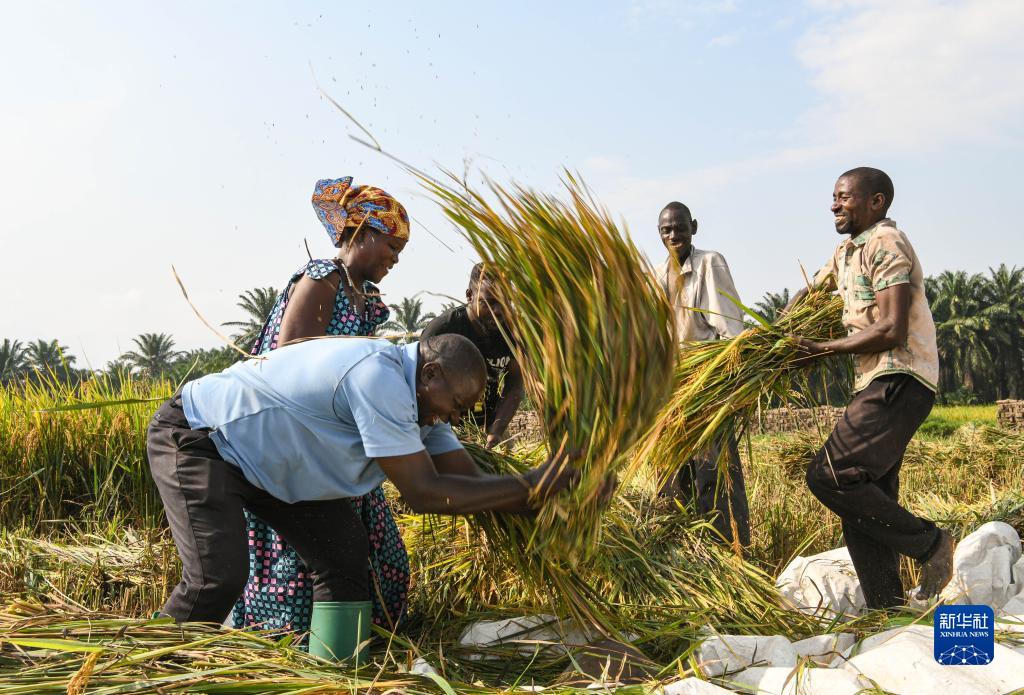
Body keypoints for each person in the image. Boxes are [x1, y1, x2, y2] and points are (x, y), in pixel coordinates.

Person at [147, 334, 579, 625]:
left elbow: (467, 480)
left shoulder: (424, 405)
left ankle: (334, 677)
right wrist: (534, 488)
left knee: (344, 555)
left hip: (269, 463)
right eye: (456, 404)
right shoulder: (380, 376)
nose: (456, 417)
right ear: (431, 375)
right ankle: (146, 677)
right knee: (216, 577)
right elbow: (425, 492)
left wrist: (549, 490)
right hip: (203, 437)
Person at [233, 176, 411, 633]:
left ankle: (366, 635)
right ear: (366, 233)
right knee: (309, 556)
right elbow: (290, 365)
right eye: (392, 246)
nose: (395, 259)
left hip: (337, 442)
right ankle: (291, 644)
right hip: (301, 442)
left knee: (379, 552)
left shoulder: (367, 299)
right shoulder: (322, 277)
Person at [788, 166, 954, 609]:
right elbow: (810, 292)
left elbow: (892, 328)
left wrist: (822, 348)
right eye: (834, 197)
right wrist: (770, 336)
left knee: (831, 475)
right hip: (874, 380)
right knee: (863, 501)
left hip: (900, 374)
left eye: (843, 196)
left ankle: (931, 545)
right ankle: (887, 613)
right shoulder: (847, 251)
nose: (834, 204)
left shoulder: (886, 243)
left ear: (876, 202)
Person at [653, 201, 751, 548]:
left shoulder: (710, 262)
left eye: (680, 227)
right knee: (673, 474)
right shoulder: (659, 274)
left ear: (693, 227)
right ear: (660, 234)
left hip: (708, 381)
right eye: (667, 230)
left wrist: (720, 381)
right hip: (674, 388)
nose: (674, 235)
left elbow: (730, 330)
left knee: (715, 473)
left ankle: (730, 550)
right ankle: (682, 554)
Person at [421, 263, 525, 449]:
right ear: (470, 296)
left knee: (504, 470)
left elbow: (515, 384)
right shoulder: (444, 329)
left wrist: (497, 430)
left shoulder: (513, 332)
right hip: (443, 425)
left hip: (490, 423)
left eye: (505, 303)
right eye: (490, 302)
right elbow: (420, 386)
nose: (499, 311)